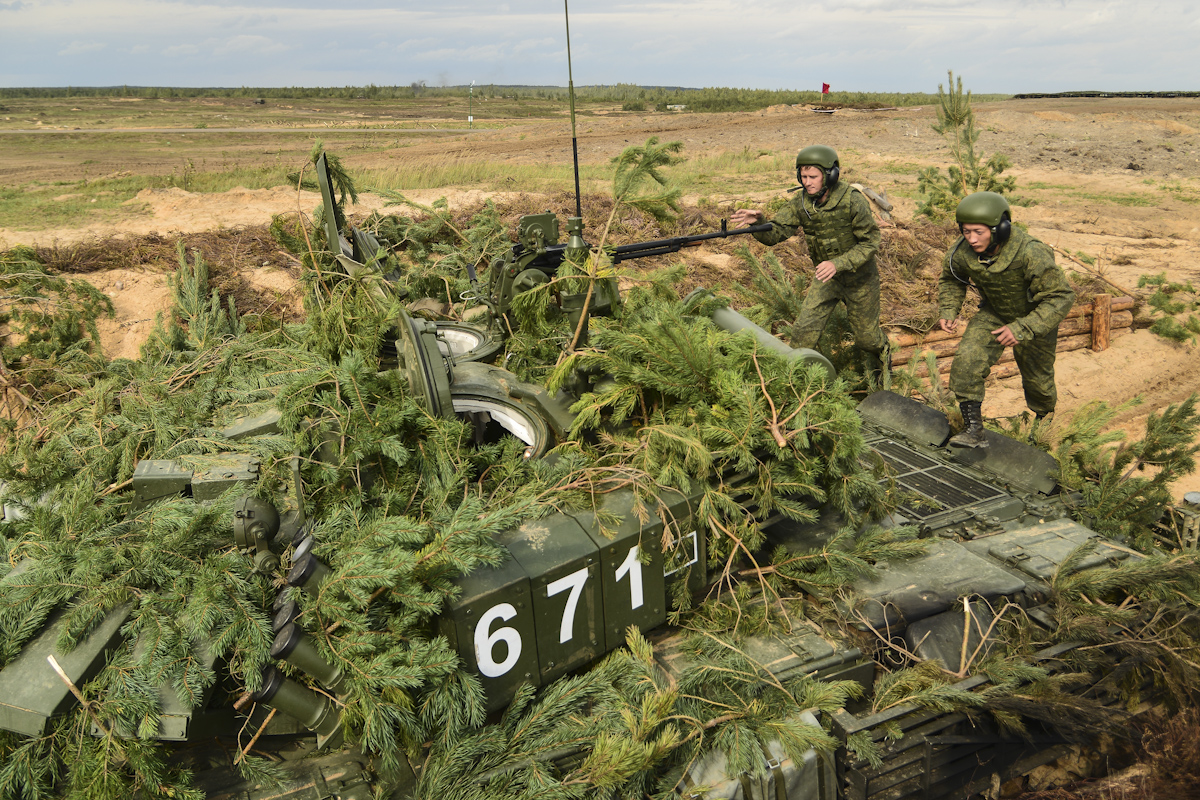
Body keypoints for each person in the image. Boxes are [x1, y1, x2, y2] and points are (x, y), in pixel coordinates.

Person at [730, 145, 888, 381]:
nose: (807, 182)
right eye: (803, 176)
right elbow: (775, 235)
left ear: (830, 175)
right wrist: (759, 222)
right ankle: (797, 384)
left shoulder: (852, 201)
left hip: (860, 280)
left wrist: (838, 263)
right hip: (827, 279)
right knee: (803, 334)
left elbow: (870, 242)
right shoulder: (801, 203)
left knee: (867, 339)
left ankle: (883, 362)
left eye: (813, 176)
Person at [938, 191, 1076, 448]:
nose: (972, 238)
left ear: (1000, 228)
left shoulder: (1030, 252)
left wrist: (1023, 327)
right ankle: (973, 431)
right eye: (966, 231)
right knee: (967, 362)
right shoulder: (962, 251)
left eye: (979, 232)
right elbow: (950, 278)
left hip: (1036, 318)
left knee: (1039, 384)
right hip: (996, 313)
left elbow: (1061, 297)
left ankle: (1043, 428)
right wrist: (948, 309)